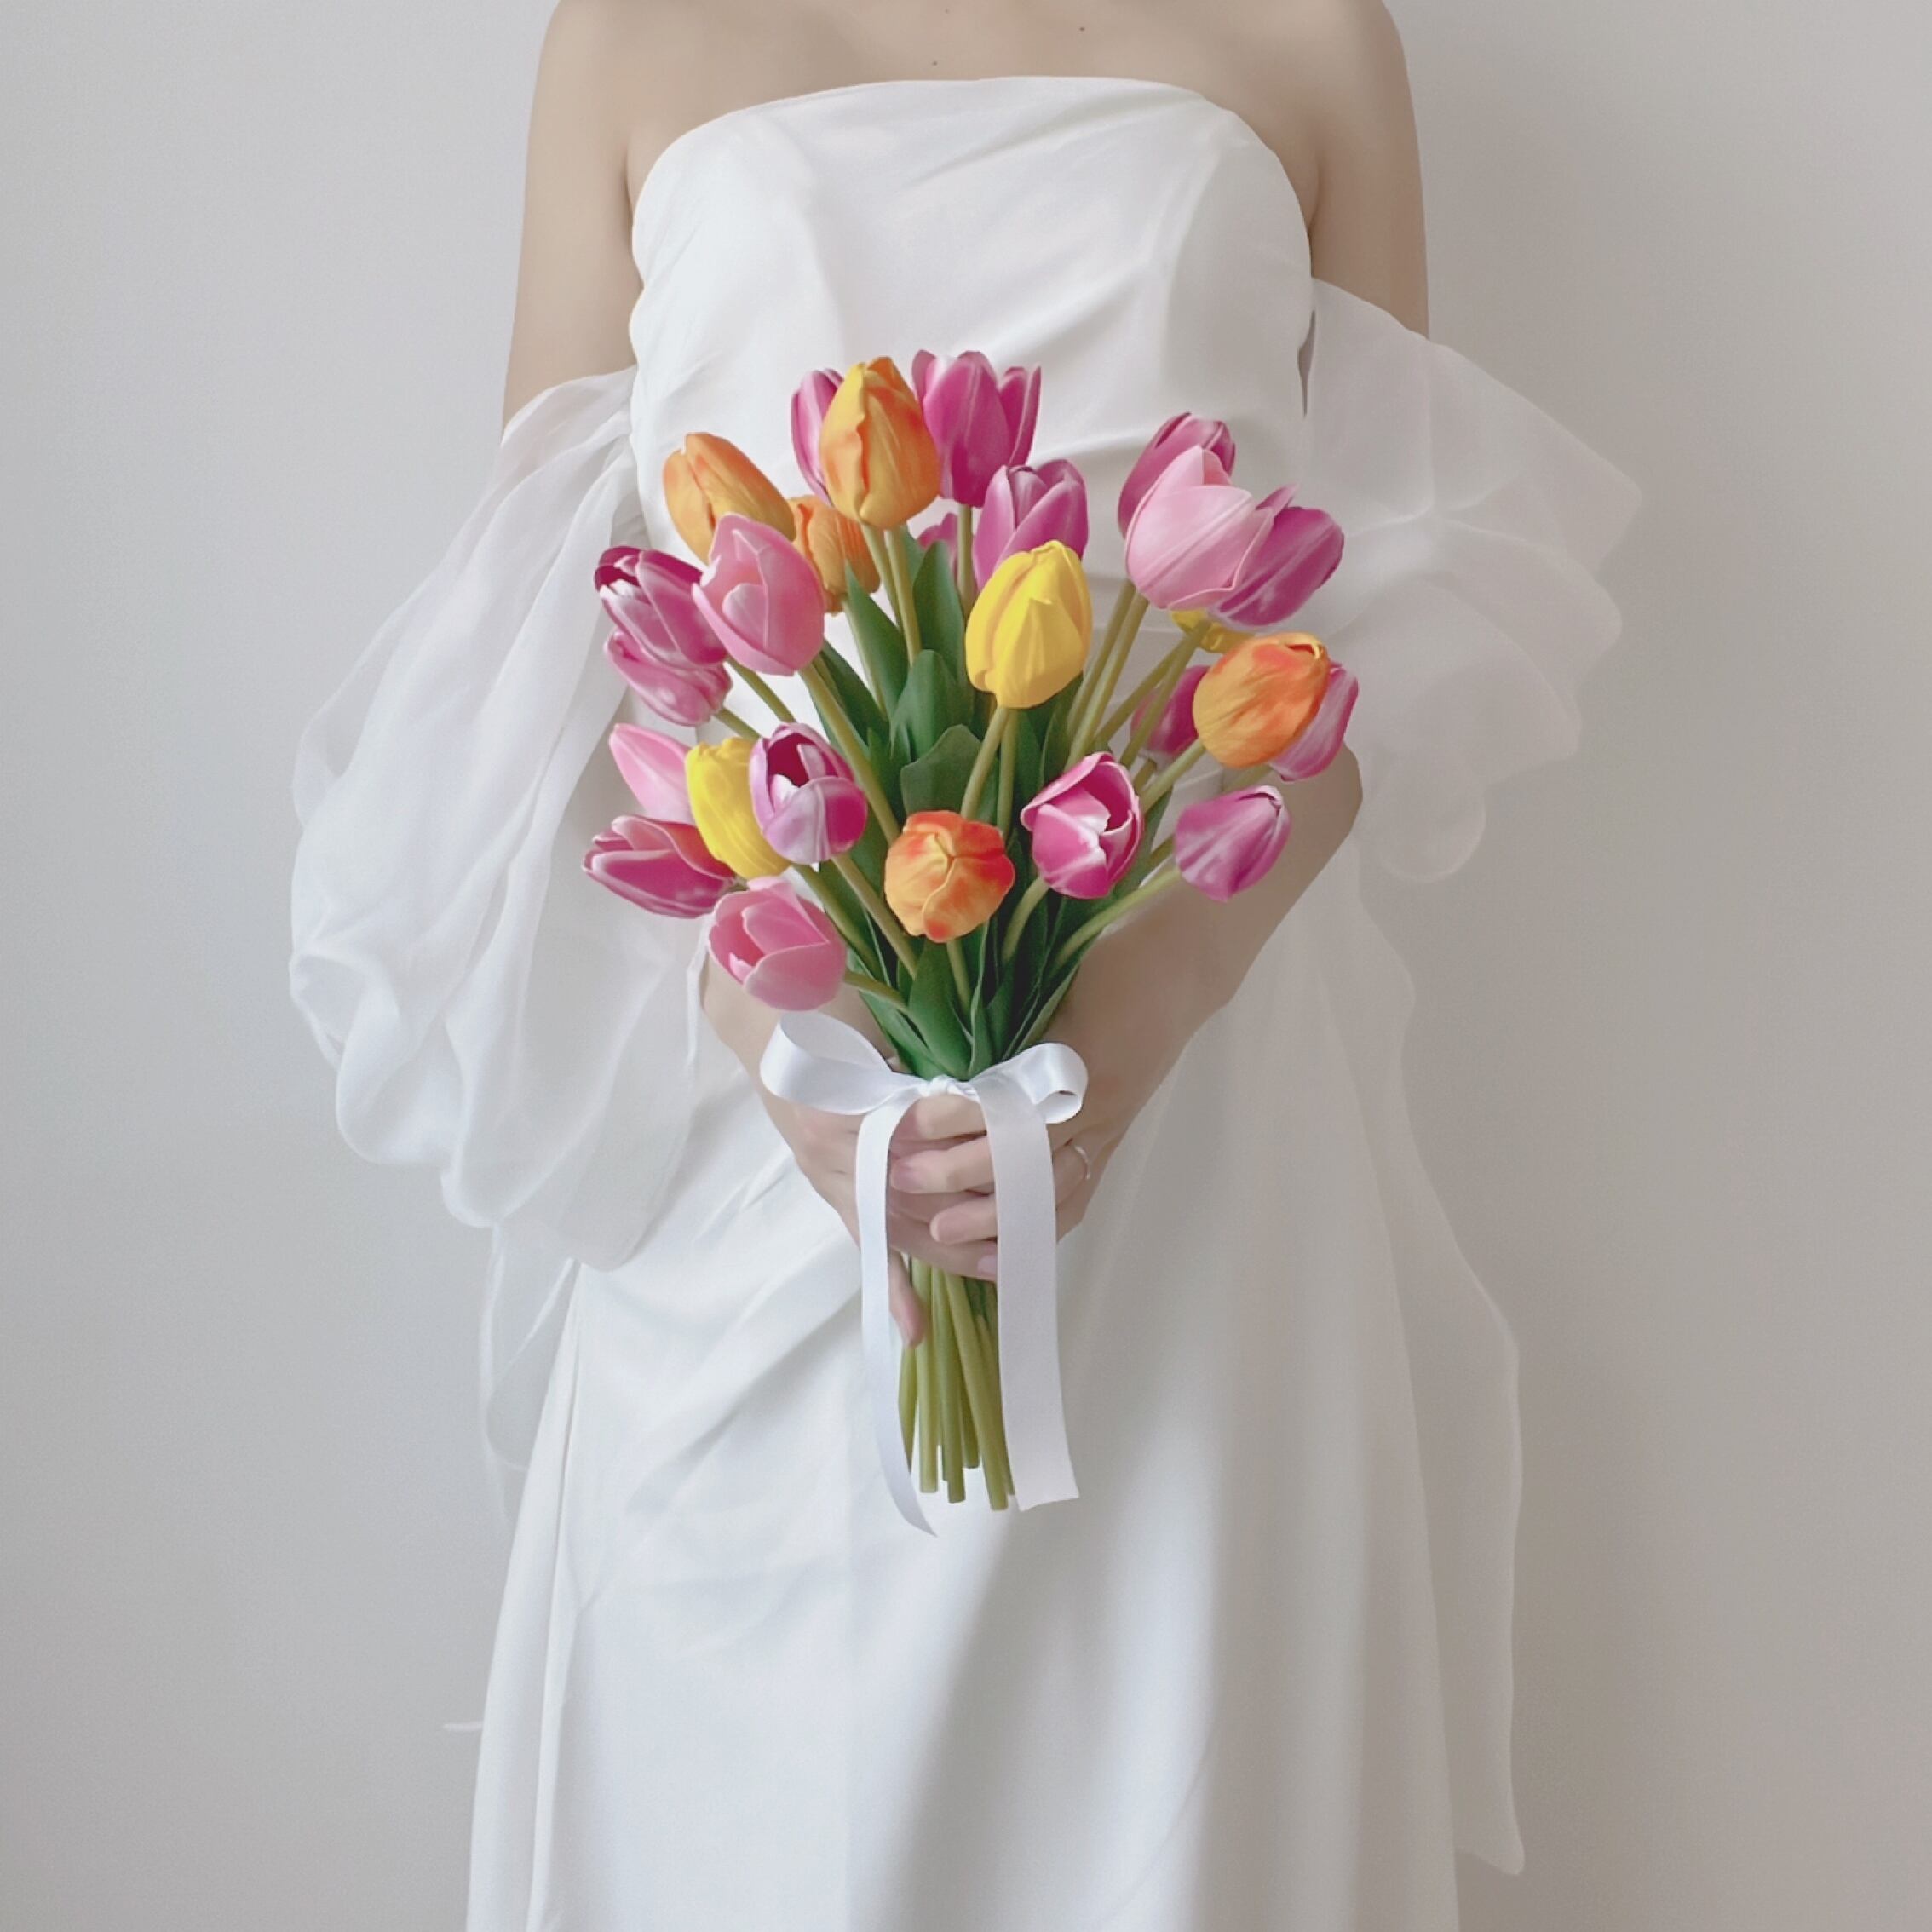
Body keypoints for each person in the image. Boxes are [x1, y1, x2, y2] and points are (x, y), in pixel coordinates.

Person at [290, 3, 1642, 1924]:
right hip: (769, 1133)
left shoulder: (1312, 32)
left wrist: (1151, 1004)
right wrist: (786, 1040)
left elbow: (1384, 610)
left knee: (1163, 1793)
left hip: (1191, 1121)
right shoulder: (636, 36)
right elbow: (563, 622)